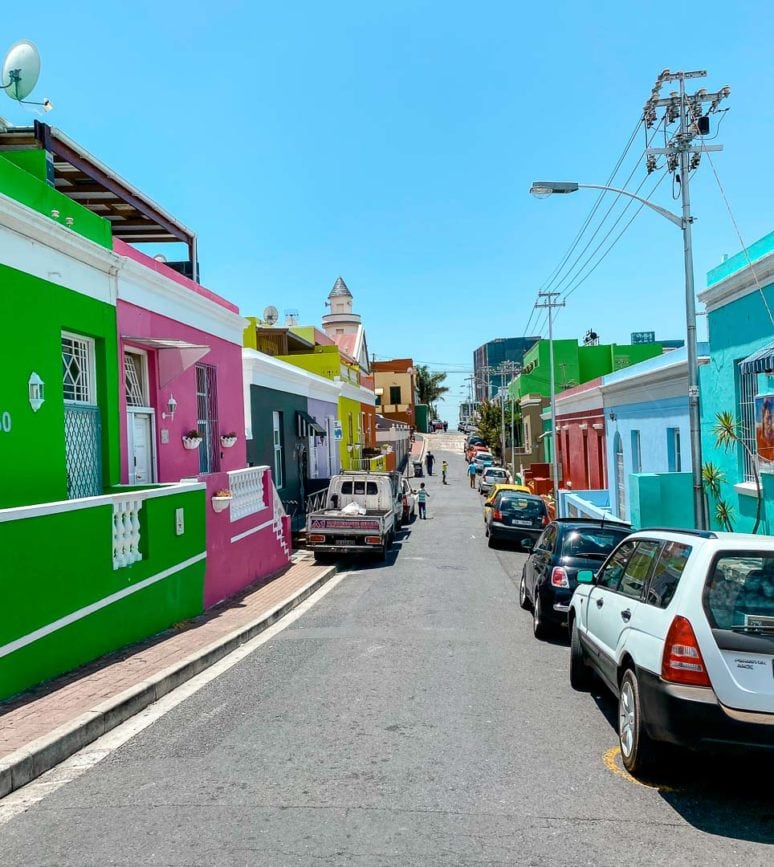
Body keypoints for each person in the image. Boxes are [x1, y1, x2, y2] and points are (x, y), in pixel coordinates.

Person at [756, 397, 774, 465]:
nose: (769, 422)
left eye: (771, 418)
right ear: (763, 419)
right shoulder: (758, 433)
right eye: (767, 418)